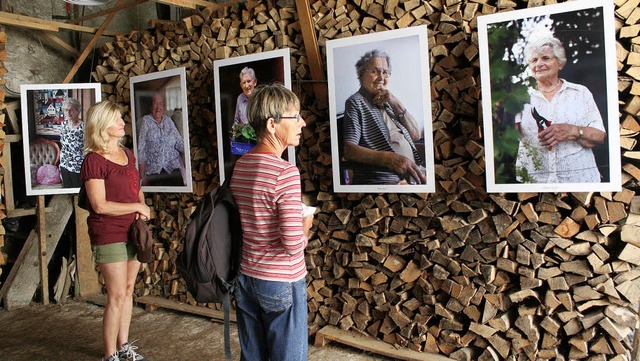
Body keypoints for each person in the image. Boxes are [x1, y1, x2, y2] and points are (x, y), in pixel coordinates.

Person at [229, 83, 313, 361]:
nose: (303, 122)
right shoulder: (285, 172)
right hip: (281, 281)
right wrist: (307, 222)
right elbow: (292, 245)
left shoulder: (241, 165)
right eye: (296, 116)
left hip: (247, 278)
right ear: (272, 124)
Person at [80, 100, 151, 361]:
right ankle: (110, 355)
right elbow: (99, 205)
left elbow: (136, 186)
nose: (122, 122)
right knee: (117, 294)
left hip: (132, 230)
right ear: (102, 126)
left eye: (120, 118)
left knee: (129, 288)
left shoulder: (128, 154)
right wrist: (135, 205)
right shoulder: (94, 160)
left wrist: (142, 206)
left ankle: (124, 346)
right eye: (116, 119)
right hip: (108, 232)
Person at [514, 36, 606, 183]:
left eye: (545, 58)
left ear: (560, 63)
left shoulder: (580, 93)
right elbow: (509, 134)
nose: (539, 64)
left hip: (579, 181)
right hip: (534, 183)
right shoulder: (519, 97)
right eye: (534, 60)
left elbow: (600, 136)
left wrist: (573, 131)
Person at [342, 49, 426, 185]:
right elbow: (349, 150)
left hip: (412, 174)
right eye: (375, 71)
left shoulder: (387, 101)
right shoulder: (355, 102)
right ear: (361, 74)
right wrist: (390, 159)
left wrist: (395, 102)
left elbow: (416, 135)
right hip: (388, 180)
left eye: (385, 72)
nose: (381, 77)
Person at [137, 93, 185, 186]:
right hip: (154, 170)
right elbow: (141, 149)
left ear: (164, 107)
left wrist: (188, 152)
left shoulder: (168, 120)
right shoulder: (146, 121)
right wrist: (142, 176)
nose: (158, 107)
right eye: (155, 104)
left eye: (161, 104)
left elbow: (179, 142)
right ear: (151, 107)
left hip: (172, 167)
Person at [59, 98, 84, 188]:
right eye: (66, 110)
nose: (68, 113)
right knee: (67, 188)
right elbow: (62, 143)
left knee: (77, 188)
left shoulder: (83, 127)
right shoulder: (63, 125)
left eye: (71, 110)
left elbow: (87, 146)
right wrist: (61, 162)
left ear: (78, 111)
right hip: (64, 162)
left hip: (78, 165)